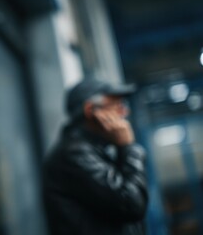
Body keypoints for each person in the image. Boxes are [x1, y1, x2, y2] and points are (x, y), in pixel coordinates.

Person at [43, 77, 148, 235]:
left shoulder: (95, 149)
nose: (124, 112)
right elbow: (131, 204)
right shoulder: (74, 154)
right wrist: (128, 147)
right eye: (117, 105)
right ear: (91, 110)